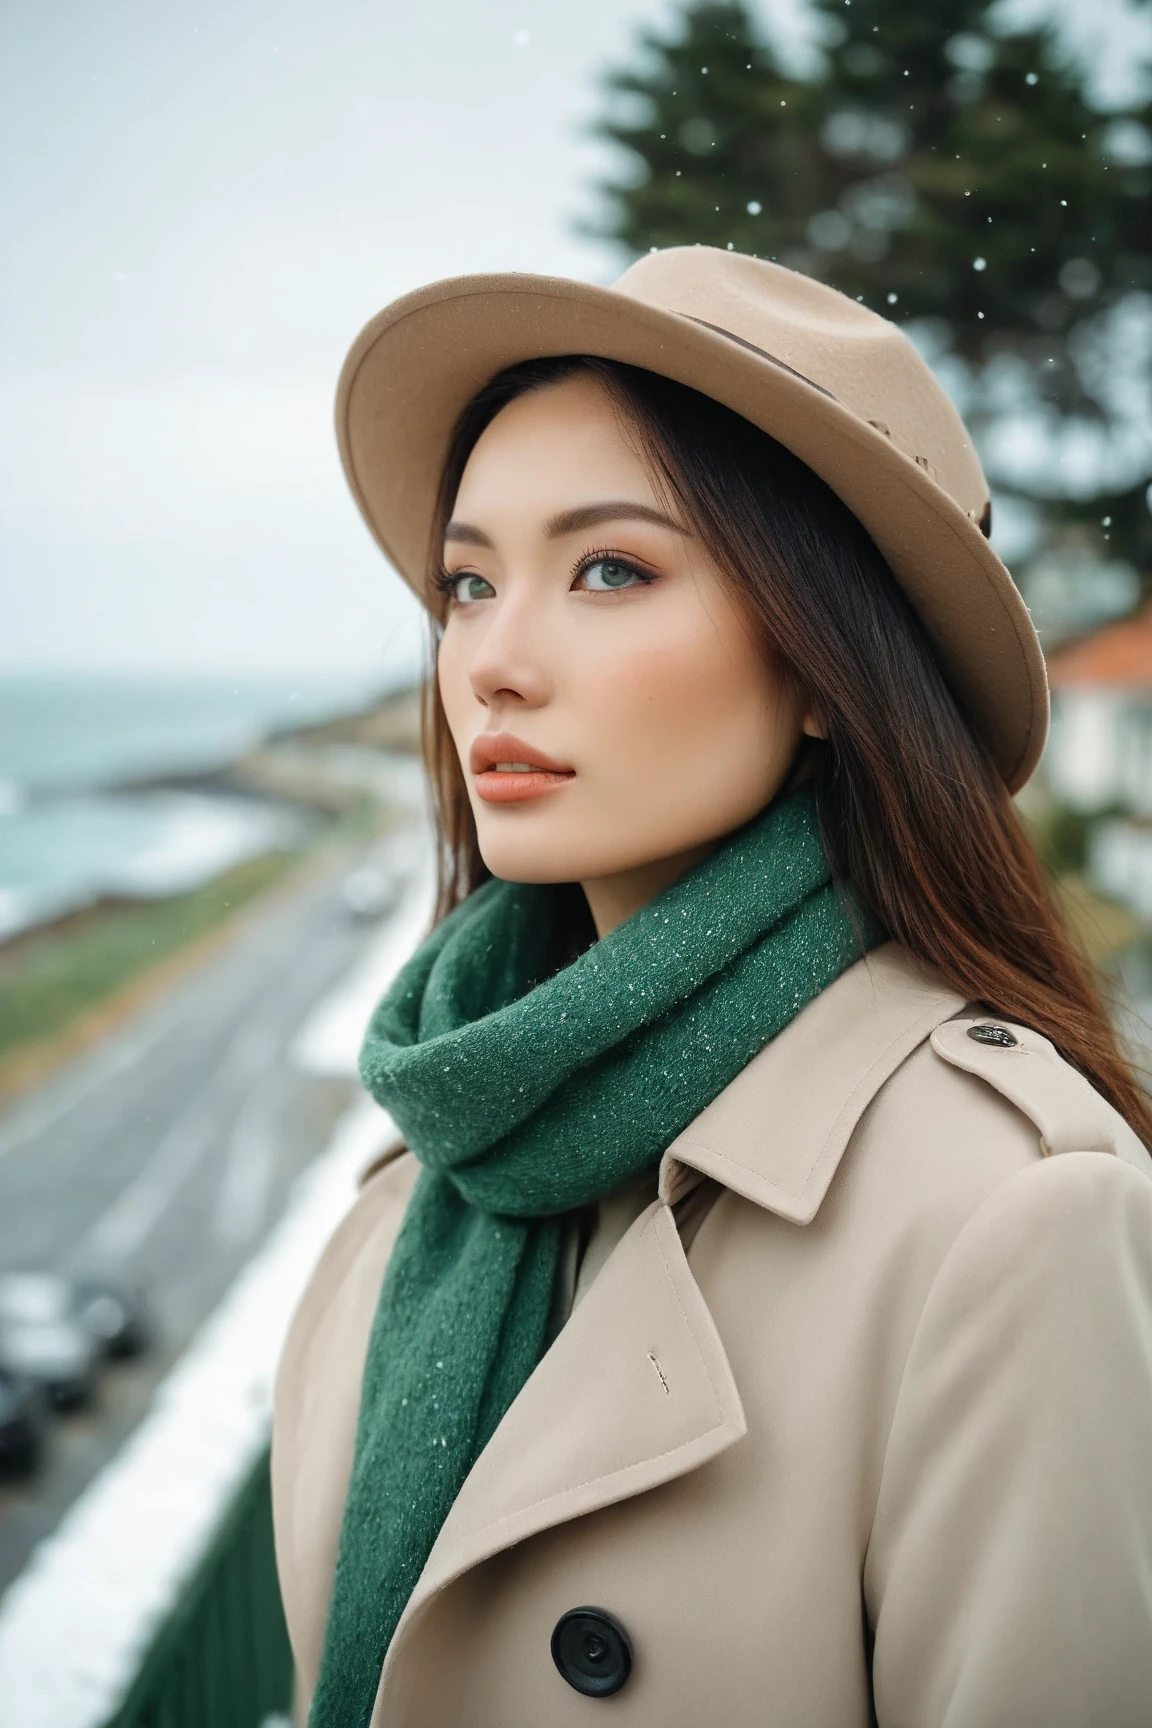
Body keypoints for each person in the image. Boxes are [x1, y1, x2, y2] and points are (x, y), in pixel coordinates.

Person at [271, 246, 1152, 1728]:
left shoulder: (1011, 1218)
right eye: (468, 583)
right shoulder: (416, 1195)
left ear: (826, 663)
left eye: (610, 568)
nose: (492, 659)